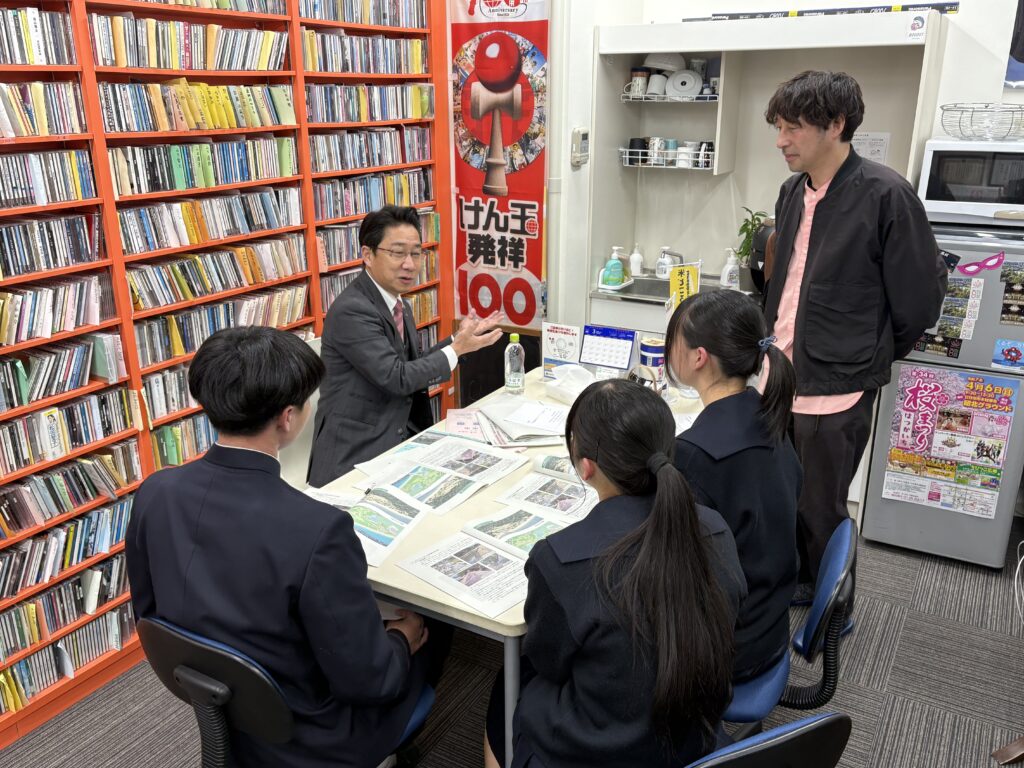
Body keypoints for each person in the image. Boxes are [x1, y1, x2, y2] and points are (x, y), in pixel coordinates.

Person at [126, 327, 438, 768]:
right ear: (288, 418)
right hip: (314, 738)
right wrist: (402, 638)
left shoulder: (155, 493)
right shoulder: (319, 530)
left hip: (225, 710)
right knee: (432, 629)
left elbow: (149, 613)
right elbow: (370, 683)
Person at [483, 379, 747, 768]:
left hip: (596, 750)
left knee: (506, 685)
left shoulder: (560, 560)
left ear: (585, 466)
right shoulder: (714, 529)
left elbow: (547, 662)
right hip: (691, 736)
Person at [763, 71, 947, 598]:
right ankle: (798, 583)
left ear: (836, 124)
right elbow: (787, 283)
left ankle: (833, 605)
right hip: (782, 373)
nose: (781, 141)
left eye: (793, 128)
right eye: (778, 128)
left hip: (838, 385)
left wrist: (867, 354)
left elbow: (919, 301)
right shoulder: (792, 191)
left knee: (821, 505)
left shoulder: (887, 194)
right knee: (783, 492)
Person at [308, 205, 505, 487]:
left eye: (416, 253)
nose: (410, 264)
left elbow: (410, 366)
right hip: (357, 452)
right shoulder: (353, 310)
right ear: (368, 255)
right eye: (398, 253)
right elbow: (397, 378)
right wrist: (455, 350)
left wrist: (458, 341)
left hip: (400, 438)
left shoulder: (398, 302)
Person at [665, 290, 801, 681]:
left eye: (674, 341)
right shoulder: (770, 414)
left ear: (699, 357)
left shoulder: (694, 453)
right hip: (768, 623)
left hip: (727, 647)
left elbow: (673, 567)